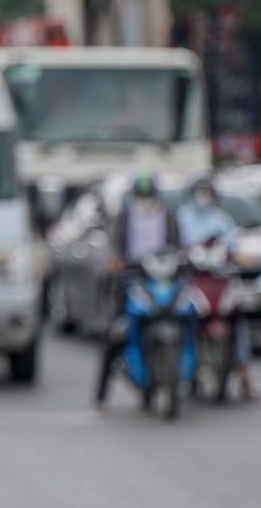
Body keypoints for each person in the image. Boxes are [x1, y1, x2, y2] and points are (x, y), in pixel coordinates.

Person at [94, 173, 181, 410]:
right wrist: (115, 261)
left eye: (149, 196)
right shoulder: (124, 216)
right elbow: (112, 245)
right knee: (115, 334)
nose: (145, 201)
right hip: (131, 281)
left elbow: (179, 246)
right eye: (141, 196)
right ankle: (101, 396)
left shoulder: (169, 215)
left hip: (162, 281)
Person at [175, 178, 258, 399]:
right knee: (181, 318)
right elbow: (174, 247)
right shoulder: (181, 218)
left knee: (237, 318)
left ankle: (245, 375)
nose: (203, 196)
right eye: (199, 191)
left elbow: (235, 247)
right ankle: (179, 371)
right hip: (192, 280)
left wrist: (241, 256)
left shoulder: (221, 219)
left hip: (220, 280)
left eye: (207, 192)